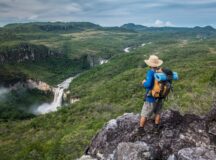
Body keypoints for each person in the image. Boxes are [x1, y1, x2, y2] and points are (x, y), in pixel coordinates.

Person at [139, 55, 163, 133]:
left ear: (150, 64)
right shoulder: (160, 72)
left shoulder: (150, 72)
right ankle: (156, 128)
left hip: (151, 97)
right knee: (158, 112)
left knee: (144, 114)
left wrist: (144, 83)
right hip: (160, 96)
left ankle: (141, 130)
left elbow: (148, 85)